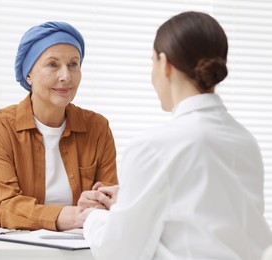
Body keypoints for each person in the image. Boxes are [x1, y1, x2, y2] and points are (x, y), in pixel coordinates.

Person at [78, 11, 272, 259]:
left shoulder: (155, 146)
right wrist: (131, 198)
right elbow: (209, 217)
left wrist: (93, 218)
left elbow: (120, 251)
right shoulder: (245, 141)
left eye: (151, 62)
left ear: (164, 63)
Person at [0, 21, 118, 231]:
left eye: (73, 64)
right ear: (29, 74)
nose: (66, 76)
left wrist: (101, 202)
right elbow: (5, 206)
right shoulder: (1, 126)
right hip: (7, 246)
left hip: (75, 247)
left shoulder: (97, 128)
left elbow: (109, 201)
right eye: (53, 64)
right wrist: (72, 216)